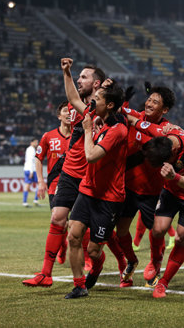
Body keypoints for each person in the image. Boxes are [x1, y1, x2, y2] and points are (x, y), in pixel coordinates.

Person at [22, 61, 126, 288]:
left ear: (96, 84)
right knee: (58, 219)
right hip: (70, 173)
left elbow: (120, 108)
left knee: (96, 237)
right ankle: (46, 274)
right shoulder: (84, 109)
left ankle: (116, 261)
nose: (79, 80)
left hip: (91, 177)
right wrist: (65, 72)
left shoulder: (108, 113)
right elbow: (72, 98)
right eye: (78, 77)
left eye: (84, 77)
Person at [60, 58, 128, 299]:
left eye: (97, 100)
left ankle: (98, 267)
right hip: (87, 190)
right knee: (73, 235)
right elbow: (74, 100)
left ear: (109, 105)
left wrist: (88, 129)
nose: (92, 103)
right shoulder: (94, 113)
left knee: (94, 249)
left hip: (109, 197)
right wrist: (66, 73)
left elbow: (91, 156)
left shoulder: (117, 130)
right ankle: (79, 285)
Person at [125, 113, 184, 298]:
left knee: (181, 238)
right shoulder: (161, 133)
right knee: (157, 229)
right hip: (171, 192)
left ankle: (163, 283)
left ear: (172, 154)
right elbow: (135, 121)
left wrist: (175, 176)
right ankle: (156, 261)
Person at [116, 85, 176, 288]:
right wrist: (120, 98)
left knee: (157, 233)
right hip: (128, 187)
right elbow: (116, 108)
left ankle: (154, 266)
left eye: (155, 102)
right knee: (121, 230)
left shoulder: (169, 131)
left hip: (152, 193)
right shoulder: (134, 116)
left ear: (164, 110)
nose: (149, 103)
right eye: (149, 99)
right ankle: (131, 261)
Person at [35, 101, 71, 263]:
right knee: (60, 223)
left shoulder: (80, 136)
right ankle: (62, 247)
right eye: (65, 111)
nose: (69, 113)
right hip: (55, 186)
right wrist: (41, 181)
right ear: (59, 116)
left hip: (76, 184)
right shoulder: (48, 136)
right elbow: (38, 159)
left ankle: (86, 257)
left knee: (79, 224)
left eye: (71, 110)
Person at [23, 138, 39, 207]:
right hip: (31, 170)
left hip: (28, 168)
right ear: (31, 142)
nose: (36, 144)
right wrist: (31, 171)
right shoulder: (31, 150)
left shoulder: (30, 149)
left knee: (28, 184)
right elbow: (31, 161)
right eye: (35, 142)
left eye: (37, 142)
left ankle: (28, 201)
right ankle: (29, 201)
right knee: (30, 184)